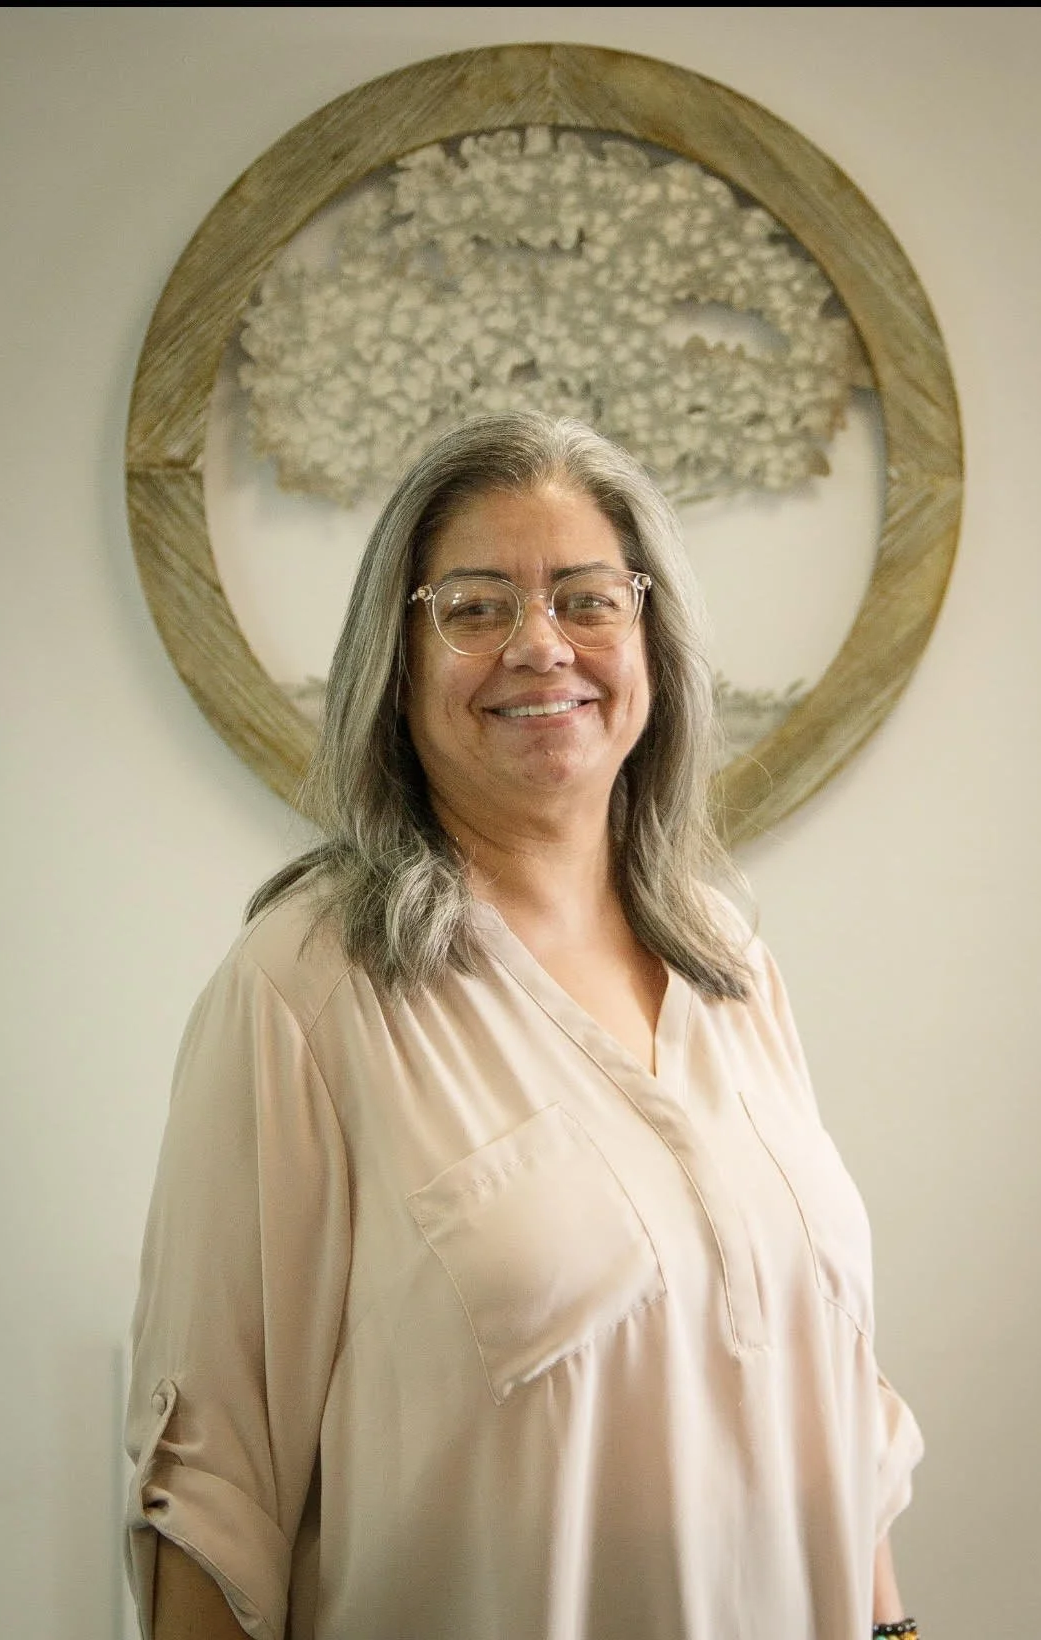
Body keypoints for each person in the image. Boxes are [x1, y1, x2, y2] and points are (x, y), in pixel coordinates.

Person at [125, 412, 923, 1640]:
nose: (541, 645)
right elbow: (213, 1491)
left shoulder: (730, 966)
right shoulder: (303, 991)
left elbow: (831, 1397)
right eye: (475, 607)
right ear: (396, 664)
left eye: (587, 599)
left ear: (651, 641)